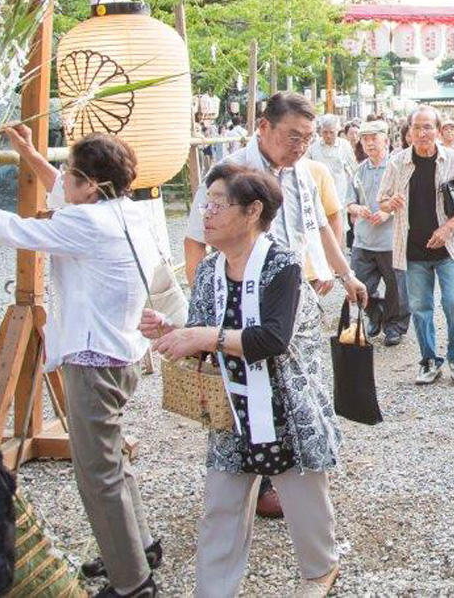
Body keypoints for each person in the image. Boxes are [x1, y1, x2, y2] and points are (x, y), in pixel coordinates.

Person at [0, 129, 162, 598]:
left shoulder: (86, 224)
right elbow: (64, 196)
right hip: (121, 355)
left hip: (94, 364)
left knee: (98, 475)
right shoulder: (124, 209)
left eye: (70, 173)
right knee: (112, 461)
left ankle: (132, 582)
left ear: (91, 185)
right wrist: (30, 153)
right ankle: (139, 547)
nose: (62, 178)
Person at [147, 165, 354, 598]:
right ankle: (213, 591)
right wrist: (172, 333)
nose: (206, 214)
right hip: (233, 409)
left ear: (253, 211)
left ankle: (321, 570)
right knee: (221, 507)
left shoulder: (283, 266)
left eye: (218, 204)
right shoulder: (209, 270)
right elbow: (202, 336)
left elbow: (272, 339)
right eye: (206, 204)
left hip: (288, 407)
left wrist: (202, 336)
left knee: (305, 503)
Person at [183, 92, 365, 518]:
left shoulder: (302, 171)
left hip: (294, 295)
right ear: (263, 127)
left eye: (307, 138)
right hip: (242, 297)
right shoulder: (229, 174)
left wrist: (346, 274)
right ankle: (257, 479)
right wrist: (204, 302)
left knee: (298, 386)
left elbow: (319, 227)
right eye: (293, 136)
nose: (300, 146)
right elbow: (195, 238)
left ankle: (295, 470)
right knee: (249, 387)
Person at [379, 106, 454, 385]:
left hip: (449, 248)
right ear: (409, 131)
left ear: (438, 130)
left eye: (428, 127)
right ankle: (429, 360)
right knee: (420, 308)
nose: (422, 133)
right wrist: (390, 203)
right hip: (413, 250)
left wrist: (449, 227)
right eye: (417, 127)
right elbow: (382, 201)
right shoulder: (397, 163)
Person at [348, 120, 410, 346]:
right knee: (357, 285)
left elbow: (407, 200)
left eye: (374, 138)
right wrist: (357, 209)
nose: (369, 143)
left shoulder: (398, 167)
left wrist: (386, 213)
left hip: (391, 239)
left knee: (397, 288)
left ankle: (394, 327)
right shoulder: (358, 170)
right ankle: (375, 313)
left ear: (386, 140)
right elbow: (349, 202)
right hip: (363, 240)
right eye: (365, 139)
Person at [307, 114, 357, 242]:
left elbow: (353, 172)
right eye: (325, 132)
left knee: (340, 233)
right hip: (319, 198)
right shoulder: (313, 147)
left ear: (337, 131)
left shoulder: (344, 146)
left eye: (331, 132)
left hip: (340, 197)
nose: (328, 136)